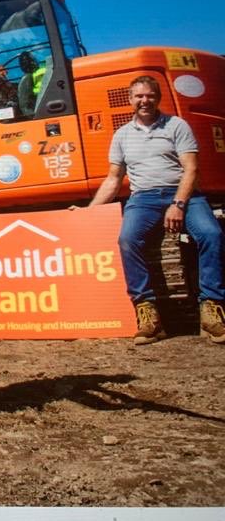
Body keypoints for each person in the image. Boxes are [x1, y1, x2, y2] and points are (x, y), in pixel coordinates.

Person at [86, 75, 225, 344]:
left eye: (149, 95)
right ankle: (147, 313)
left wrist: (178, 204)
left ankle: (211, 309)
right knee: (127, 240)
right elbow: (114, 179)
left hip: (184, 194)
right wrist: (89, 211)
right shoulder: (122, 135)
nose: (144, 101)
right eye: (139, 96)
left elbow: (191, 169)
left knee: (211, 234)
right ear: (130, 100)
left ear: (157, 98)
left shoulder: (177, 126)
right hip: (144, 198)